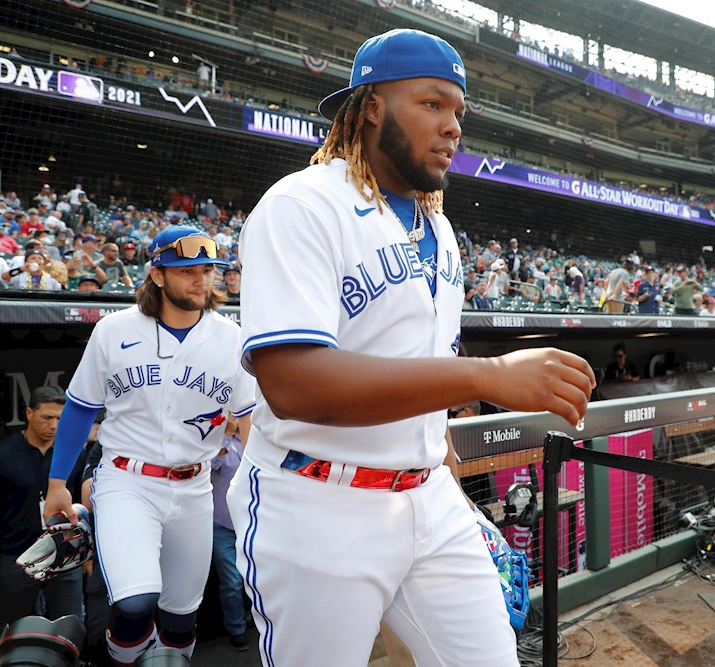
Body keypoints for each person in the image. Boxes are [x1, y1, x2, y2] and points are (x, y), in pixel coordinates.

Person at [232, 28, 595, 666]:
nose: (452, 126)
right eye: (431, 104)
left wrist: (446, 480)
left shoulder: (441, 229)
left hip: (428, 498)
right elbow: (293, 385)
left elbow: (415, 372)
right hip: (319, 502)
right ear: (371, 106)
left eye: (458, 111)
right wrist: (486, 375)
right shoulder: (302, 205)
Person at [42, 225, 256, 666]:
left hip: (196, 487)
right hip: (127, 480)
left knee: (181, 618)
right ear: (157, 275)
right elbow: (81, 408)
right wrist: (57, 483)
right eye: (187, 271)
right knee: (135, 603)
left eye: (208, 269)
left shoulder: (231, 336)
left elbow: (250, 419)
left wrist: (260, 486)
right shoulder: (114, 329)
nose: (202, 279)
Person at [0, 386, 86, 633]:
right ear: (29, 413)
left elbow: (84, 507)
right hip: (16, 559)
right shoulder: (1, 456)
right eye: (47, 417)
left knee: (71, 630)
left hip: (65, 557)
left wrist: (89, 555)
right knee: (16, 632)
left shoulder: (72, 455)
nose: (54, 425)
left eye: (61, 418)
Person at [210, 414, 250, 652]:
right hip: (221, 525)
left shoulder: (248, 440)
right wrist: (223, 435)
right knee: (232, 581)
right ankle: (237, 629)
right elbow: (212, 464)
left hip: (249, 522)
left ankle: (251, 616)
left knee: (251, 577)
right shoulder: (217, 442)